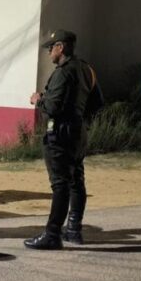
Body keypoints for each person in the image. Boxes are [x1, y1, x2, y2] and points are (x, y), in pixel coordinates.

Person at [25, 28, 100, 250]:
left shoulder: (63, 72)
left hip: (60, 133)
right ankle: (74, 230)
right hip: (78, 132)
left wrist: (38, 100)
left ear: (61, 47)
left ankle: (52, 234)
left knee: (60, 184)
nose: (49, 52)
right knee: (76, 180)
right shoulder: (87, 70)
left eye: (51, 48)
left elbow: (53, 107)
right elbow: (97, 102)